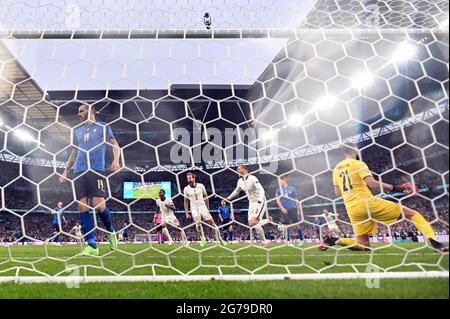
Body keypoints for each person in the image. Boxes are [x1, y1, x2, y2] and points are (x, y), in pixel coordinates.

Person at [321, 142, 448, 253]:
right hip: (367, 203)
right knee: (412, 214)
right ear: (354, 149)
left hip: (352, 209)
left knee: (363, 245)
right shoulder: (358, 164)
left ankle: (335, 240)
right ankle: (435, 242)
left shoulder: (336, 169)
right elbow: (372, 183)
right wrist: (398, 188)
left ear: (344, 152)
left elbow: (338, 193)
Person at [59, 103, 121, 256]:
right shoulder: (77, 131)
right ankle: (92, 246)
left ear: (90, 111)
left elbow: (115, 145)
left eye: (81, 111)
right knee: (82, 207)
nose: (78, 114)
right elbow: (73, 153)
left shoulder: (103, 127)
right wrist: (65, 172)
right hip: (79, 171)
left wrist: (116, 160)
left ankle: (111, 232)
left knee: (99, 206)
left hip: (96, 170)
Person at [222, 165, 268, 247]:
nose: (236, 170)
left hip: (259, 201)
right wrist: (227, 199)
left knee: (254, 222)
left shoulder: (253, 178)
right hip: (251, 203)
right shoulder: (240, 181)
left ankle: (264, 241)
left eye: (238, 169)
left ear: (244, 169)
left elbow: (261, 189)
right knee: (251, 224)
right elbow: (236, 192)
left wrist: (260, 198)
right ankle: (268, 220)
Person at [184, 172, 226, 247]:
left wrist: (207, 208)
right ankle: (202, 238)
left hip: (203, 207)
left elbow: (206, 197)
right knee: (198, 223)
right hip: (194, 208)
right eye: (187, 179)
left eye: (190, 178)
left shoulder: (201, 186)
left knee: (212, 224)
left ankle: (220, 239)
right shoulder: (186, 189)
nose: (189, 180)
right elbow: (186, 201)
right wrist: (187, 213)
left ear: (194, 178)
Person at [275, 176, 304, 246]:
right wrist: (282, 208)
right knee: (286, 225)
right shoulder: (278, 190)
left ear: (284, 180)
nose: (279, 183)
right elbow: (277, 200)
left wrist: (298, 210)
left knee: (297, 225)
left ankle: (301, 240)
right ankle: (288, 241)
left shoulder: (292, 188)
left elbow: (296, 200)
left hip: (293, 208)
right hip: (285, 210)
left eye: (279, 181)